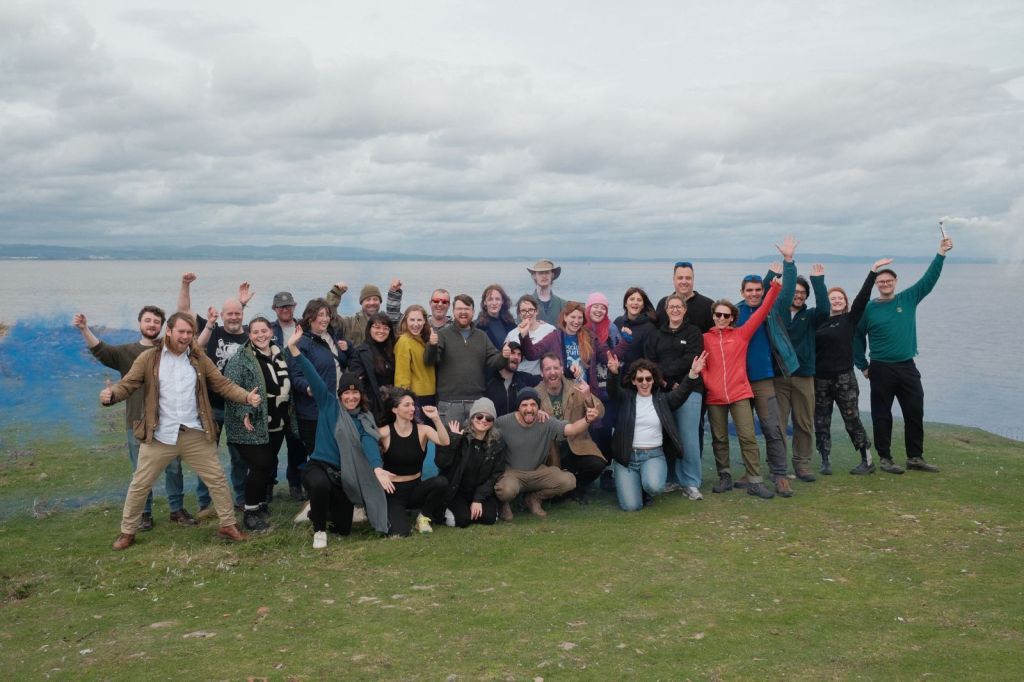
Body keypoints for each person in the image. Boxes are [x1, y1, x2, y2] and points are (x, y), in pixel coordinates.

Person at [101, 312, 258, 550]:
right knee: (140, 483)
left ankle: (228, 525)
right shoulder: (149, 358)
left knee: (216, 479)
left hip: (195, 432)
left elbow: (221, 384)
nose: (185, 337)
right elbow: (129, 383)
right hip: (159, 435)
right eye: (181, 332)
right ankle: (127, 531)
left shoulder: (199, 358)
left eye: (189, 333)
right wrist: (111, 396)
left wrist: (246, 396)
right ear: (169, 331)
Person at [74, 307, 206, 530]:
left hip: (168, 422)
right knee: (141, 472)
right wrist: (85, 329)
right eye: (148, 320)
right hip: (137, 422)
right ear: (139, 324)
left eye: (157, 321)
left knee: (174, 468)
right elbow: (100, 350)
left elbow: (195, 345)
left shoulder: (169, 350)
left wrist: (208, 323)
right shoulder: (126, 352)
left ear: (163, 326)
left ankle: (177, 509)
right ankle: (144, 513)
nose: (152, 324)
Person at [855, 236, 953, 473]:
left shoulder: (908, 298)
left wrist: (940, 253)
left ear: (895, 281)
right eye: (881, 281)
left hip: (907, 366)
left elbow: (929, 280)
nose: (885, 284)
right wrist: (863, 365)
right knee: (882, 415)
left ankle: (915, 457)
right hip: (880, 368)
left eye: (888, 280)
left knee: (914, 411)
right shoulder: (868, 309)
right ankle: (886, 458)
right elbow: (856, 337)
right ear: (877, 284)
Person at [285, 325, 389, 549]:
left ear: (360, 396)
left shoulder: (364, 418)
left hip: (343, 476)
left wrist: (377, 468)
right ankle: (319, 530)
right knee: (320, 485)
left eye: (355, 392)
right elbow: (312, 376)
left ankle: (318, 510)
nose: (351, 397)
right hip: (319, 467)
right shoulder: (328, 404)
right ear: (340, 395)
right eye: (347, 393)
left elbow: (369, 441)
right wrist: (293, 348)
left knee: (343, 528)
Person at [179, 273, 255, 510]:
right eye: (229, 314)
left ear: (243, 316)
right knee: (207, 457)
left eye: (238, 314)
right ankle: (204, 503)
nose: (233, 317)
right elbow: (184, 312)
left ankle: (242, 499)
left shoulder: (250, 337)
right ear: (222, 316)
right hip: (210, 407)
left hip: (238, 408)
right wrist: (186, 285)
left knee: (240, 458)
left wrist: (240, 303)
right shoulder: (211, 331)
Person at [702, 278, 783, 499]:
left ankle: (755, 481)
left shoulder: (741, 334)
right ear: (713, 316)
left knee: (748, 436)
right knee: (719, 438)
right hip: (715, 397)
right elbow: (701, 366)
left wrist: (774, 288)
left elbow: (762, 309)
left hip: (739, 394)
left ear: (732, 318)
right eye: (717, 315)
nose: (721, 318)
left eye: (726, 315)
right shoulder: (705, 339)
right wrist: (709, 382)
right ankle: (725, 476)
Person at [735, 236, 801, 498]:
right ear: (742, 292)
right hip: (740, 379)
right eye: (749, 290)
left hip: (764, 379)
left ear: (763, 291)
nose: (753, 294)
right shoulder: (734, 312)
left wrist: (788, 261)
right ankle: (751, 471)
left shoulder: (771, 309)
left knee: (772, 427)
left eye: (757, 290)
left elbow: (787, 290)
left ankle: (780, 474)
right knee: (746, 430)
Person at [815, 261, 889, 474]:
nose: (837, 301)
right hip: (819, 379)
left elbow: (863, 297)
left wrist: (873, 272)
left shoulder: (850, 319)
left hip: (844, 378)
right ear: (826, 302)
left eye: (840, 298)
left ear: (845, 302)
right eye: (833, 298)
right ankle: (825, 460)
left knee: (852, 418)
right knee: (821, 420)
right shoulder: (818, 321)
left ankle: (867, 459)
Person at [605, 354, 705, 511]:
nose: (644, 383)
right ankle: (634, 485)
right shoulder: (626, 398)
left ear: (653, 380)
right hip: (626, 459)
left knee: (653, 486)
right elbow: (612, 391)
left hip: (653, 456)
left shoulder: (663, 400)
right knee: (631, 506)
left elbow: (681, 393)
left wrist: (692, 374)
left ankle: (646, 488)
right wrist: (613, 373)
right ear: (633, 381)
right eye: (640, 379)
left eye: (648, 379)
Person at [223, 315, 294, 531]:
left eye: (264, 331)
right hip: (250, 424)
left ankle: (262, 503)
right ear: (249, 335)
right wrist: (245, 410)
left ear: (271, 331)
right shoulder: (240, 359)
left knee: (269, 463)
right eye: (256, 332)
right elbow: (229, 389)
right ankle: (250, 511)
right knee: (260, 465)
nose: (261, 335)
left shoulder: (280, 353)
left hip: (277, 421)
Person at [493, 387, 598, 521]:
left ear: (538, 406)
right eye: (524, 405)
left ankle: (534, 499)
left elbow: (571, 429)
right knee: (506, 490)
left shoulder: (546, 421)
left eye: (533, 404)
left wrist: (587, 420)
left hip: (538, 472)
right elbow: (485, 425)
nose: (529, 409)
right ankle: (504, 504)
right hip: (512, 474)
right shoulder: (504, 422)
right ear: (518, 407)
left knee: (568, 481)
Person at [768, 266, 828, 482]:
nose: (799, 296)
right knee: (779, 424)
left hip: (803, 375)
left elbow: (824, 310)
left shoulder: (810, 316)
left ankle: (802, 463)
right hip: (779, 375)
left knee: (803, 422)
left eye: (803, 293)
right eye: (795, 292)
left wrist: (818, 282)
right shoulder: (777, 313)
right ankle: (778, 465)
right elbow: (766, 298)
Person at [643, 293, 705, 499]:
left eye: (679, 306)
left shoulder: (694, 332)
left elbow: (691, 358)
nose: (675, 310)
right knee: (665, 436)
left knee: (688, 436)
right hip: (663, 389)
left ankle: (690, 481)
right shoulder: (656, 335)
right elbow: (650, 362)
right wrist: (667, 381)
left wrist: (669, 374)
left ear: (685, 310)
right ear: (666, 310)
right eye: (672, 307)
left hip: (690, 389)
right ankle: (669, 478)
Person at [287, 298, 345, 500]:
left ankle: (332, 493)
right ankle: (317, 496)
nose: (325, 318)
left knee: (335, 452)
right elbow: (296, 376)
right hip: (312, 411)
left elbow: (340, 364)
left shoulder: (332, 337)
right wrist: (308, 387)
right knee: (317, 455)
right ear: (309, 317)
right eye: (320, 315)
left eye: (327, 314)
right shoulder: (302, 342)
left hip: (336, 406)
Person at [424, 294, 508, 428]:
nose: (463, 312)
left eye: (467, 309)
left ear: (473, 312)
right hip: (449, 403)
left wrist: (504, 356)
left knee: (474, 445)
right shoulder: (443, 335)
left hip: (476, 403)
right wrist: (432, 345)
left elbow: (494, 362)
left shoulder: (482, 336)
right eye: (459, 309)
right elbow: (430, 361)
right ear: (453, 311)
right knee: (449, 446)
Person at [377, 391, 451, 536]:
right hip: (393, 492)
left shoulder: (423, 430)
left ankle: (423, 517)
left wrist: (436, 419)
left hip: (415, 489)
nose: (412, 408)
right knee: (400, 533)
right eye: (407, 405)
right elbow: (366, 451)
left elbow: (445, 441)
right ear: (394, 409)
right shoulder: (384, 433)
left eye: (413, 405)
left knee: (441, 482)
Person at [536, 353, 607, 503]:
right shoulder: (535, 393)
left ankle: (577, 488)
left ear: (562, 369)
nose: (552, 372)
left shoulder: (575, 387)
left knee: (597, 464)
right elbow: (522, 415)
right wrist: (535, 412)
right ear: (542, 372)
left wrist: (588, 398)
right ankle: (559, 490)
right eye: (548, 369)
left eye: (556, 368)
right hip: (549, 451)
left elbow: (601, 411)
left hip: (576, 443)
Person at [434, 397, 507, 528]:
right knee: (462, 520)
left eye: (488, 418)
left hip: (480, 490)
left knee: (489, 518)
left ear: (492, 422)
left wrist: (478, 499)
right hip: (457, 491)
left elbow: (496, 474)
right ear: (472, 418)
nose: (483, 421)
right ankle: (449, 510)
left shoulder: (497, 443)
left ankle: (471, 509)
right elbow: (442, 463)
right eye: (479, 417)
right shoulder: (458, 434)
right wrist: (454, 441)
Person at [519, 301, 604, 396]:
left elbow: (607, 356)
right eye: (573, 317)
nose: (576, 321)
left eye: (580, 317)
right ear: (565, 317)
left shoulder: (590, 337)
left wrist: (623, 341)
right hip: (563, 395)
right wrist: (525, 335)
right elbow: (532, 354)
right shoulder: (554, 337)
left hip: (586, 393)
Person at [268, 290, 306, 500]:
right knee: (271, 443)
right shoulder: (268, 329)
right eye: (281, 306)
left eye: (289, 306)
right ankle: (268, 484)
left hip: (298, 392)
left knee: (296, 443)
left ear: (294, 306)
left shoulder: (303, 328)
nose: (285, 309)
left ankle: (296, 483)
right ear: (275, 309)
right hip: (274, 393)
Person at [347, 313, 397, 420]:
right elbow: (357, 382)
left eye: (386, 328)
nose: (381, 331)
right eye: (377, 327)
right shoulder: (361, 352)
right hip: (372, 407)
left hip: (393, 405)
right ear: (369, 329)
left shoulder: (393, 350)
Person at [325, 279, 403, 346]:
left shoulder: (387, 322)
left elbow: (395, 316)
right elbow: (330, 316)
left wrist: (394, 293)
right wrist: (335, 293)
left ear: (380, 302)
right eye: (368, 299)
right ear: (361, 302)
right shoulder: (349, 323)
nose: (372, 303)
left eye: (375, 299)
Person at [394, 304, 437, 413]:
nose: (416, 324)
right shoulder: (404, 341)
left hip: (430, 395)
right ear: (405, 321)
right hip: (416, 398)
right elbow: (401, 375)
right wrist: (404, 401)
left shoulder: (424, 340)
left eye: (419, 320)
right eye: (412, 320)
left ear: (424, 322)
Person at [484, 341, 541, 416]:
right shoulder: (489, 379)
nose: (516, 357)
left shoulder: (524, 379)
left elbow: (547, 379)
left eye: (519, 354)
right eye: (512, 353)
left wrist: (540, 410)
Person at [656, 261, 715, 333]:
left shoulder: (708, 305)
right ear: (673, 279)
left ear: (693, 279)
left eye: (688, 278)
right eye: (680, 278)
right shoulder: (663, 304)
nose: (684, 282)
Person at [504, 294, 555, 376]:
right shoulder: (512, 334)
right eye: (523, 310)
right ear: (519, 313)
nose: (527, 314)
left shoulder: (549, 330)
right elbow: (505, 361)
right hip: (519, 377)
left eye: (531, 309)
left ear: (537, 311)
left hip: (541, 379)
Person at [613, 287, 659, 370]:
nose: (635, 302)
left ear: (643, 305)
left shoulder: (649, 327)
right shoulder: (618, 322)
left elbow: (650, 358)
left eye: (639, 300)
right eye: (632, 299)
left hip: (637, 376)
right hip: (617, 374)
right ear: (625, 304)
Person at [476, 284, 517, 350]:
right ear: (485, 302)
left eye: (497, 299)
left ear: (502, 301)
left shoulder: (510, 323)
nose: (494, 303)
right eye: (490, 299)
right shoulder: (478, 327)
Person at [527, 259, 567, 325]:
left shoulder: (562, 304)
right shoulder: (526, 303)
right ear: (534, 276)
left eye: (547, 272)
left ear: (552, 275)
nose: (544, 276)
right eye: (540, 273)